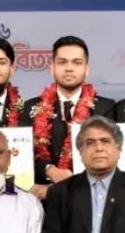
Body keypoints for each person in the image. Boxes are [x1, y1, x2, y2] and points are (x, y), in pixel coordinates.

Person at [23, 36, 115, 201]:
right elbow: (22, 155)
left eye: (77, 63)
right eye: (62, 62)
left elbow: (109, 156)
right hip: (42, 200)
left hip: (90, 198)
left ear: (87, 69)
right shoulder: (31, 108)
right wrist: (50, 170)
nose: (69, 68)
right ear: (52, 68)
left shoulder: (106, 108)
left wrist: (64, 188)